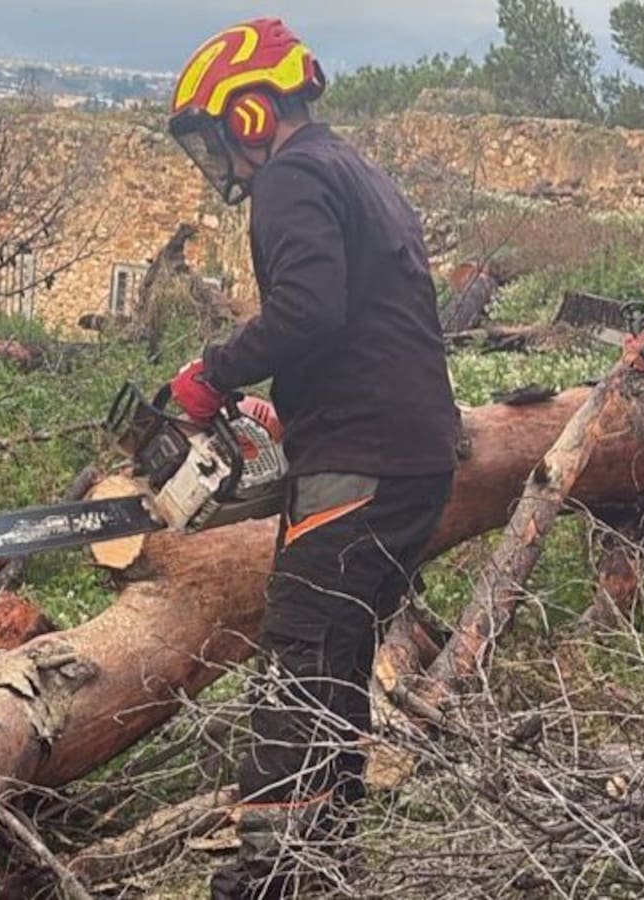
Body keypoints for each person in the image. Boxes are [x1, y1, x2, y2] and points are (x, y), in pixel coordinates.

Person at [166, 17, 459, 898]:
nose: (219, 157)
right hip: (402, 451)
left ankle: (275, 877)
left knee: (299, 656)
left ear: (249, 114)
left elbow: (309, 311)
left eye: (217, 136)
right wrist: (290, 408)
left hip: (365, 461)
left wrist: (209, 376)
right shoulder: (352, 166)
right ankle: (324, 868)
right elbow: (363, 319)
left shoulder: (290, 178)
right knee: (333, 661)